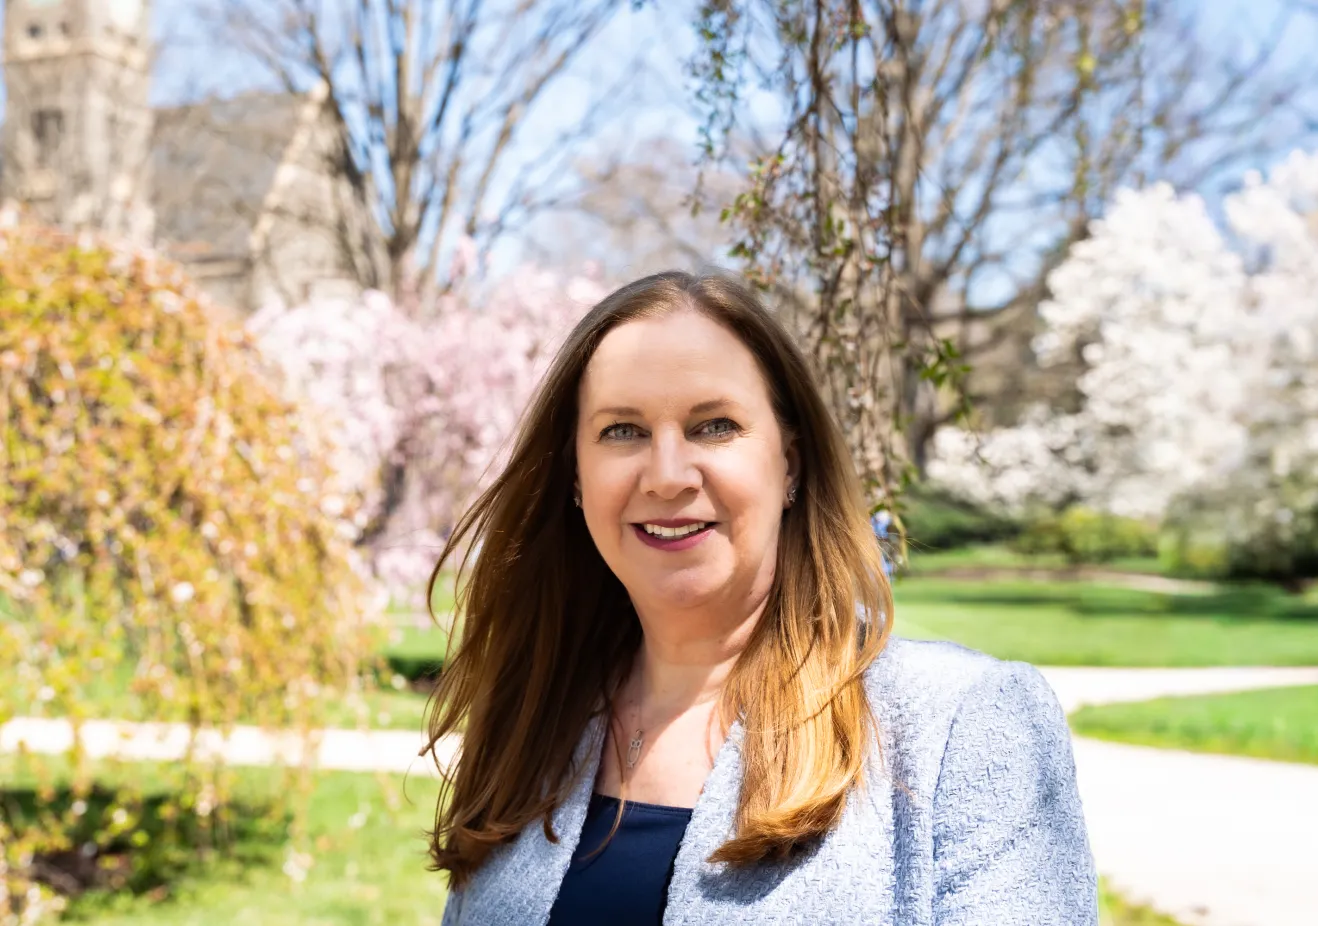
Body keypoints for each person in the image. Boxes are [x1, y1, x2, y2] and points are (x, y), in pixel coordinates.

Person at [423, 271, 1096, 925]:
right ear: (575, 474)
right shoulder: (536, 721)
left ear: (791, 464)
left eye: (713, 425)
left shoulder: (961, 726)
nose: (667, 475)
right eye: (622, 430)